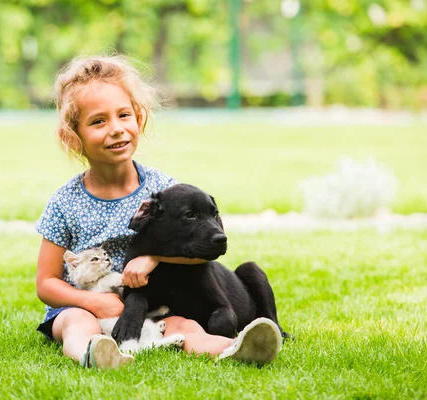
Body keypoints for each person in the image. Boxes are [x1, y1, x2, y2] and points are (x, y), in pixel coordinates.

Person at [35, 55, 282, 369]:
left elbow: (200, 249)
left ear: (139, 118)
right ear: (73, 136)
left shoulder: (164, 190)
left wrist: (153, 258)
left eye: (124, 115)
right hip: (84, 304)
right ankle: (95, 354)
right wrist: (92, 301)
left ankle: (237, 347)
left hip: (154, 303)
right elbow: (46, 282)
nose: (116, 129)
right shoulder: (64, 202)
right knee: (76, 324)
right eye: (99, 121)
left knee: (185, 326)